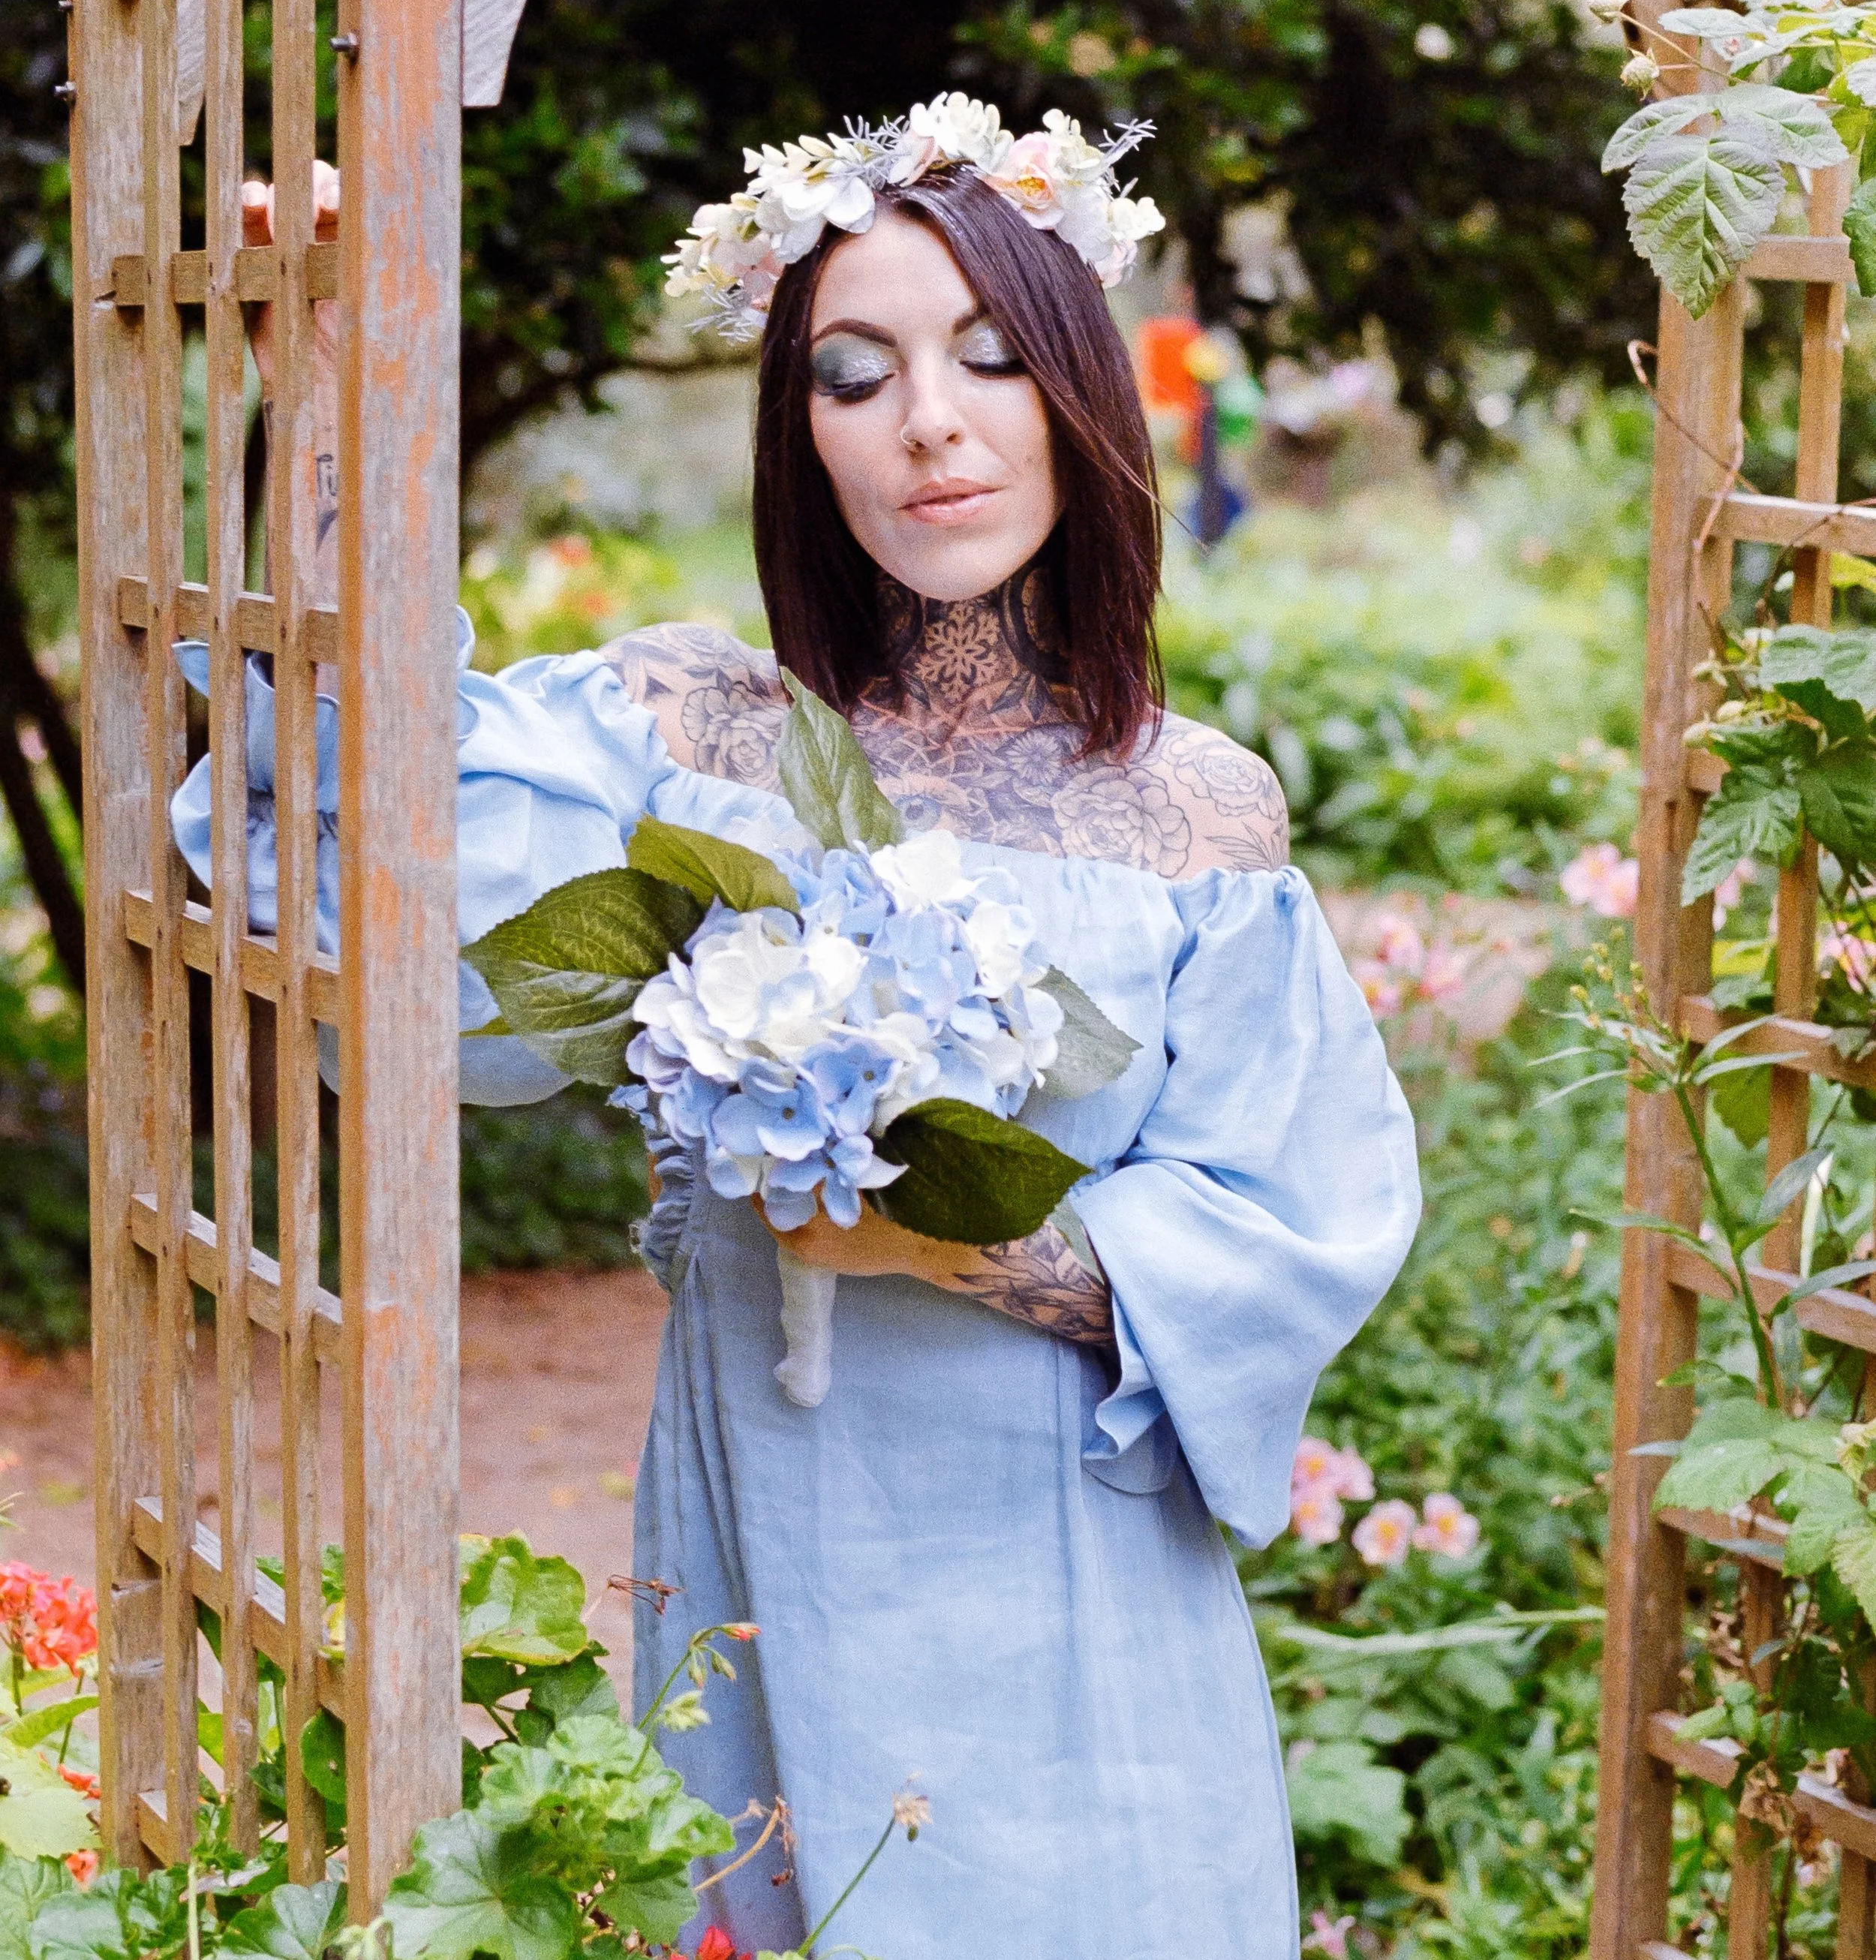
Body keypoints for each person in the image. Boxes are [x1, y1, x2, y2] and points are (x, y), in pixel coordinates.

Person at [175, 96, 1419, 1956]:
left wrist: (947, 1226)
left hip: (1084, 1589)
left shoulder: (1196, 810)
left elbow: (1288, 1223)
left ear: (1076, 389)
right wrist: (328, 399)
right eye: (856, 371)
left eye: (990, 356)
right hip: (776, 1534)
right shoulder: (696, 728)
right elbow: (350, 805)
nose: (930, 418)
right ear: (801, 431)